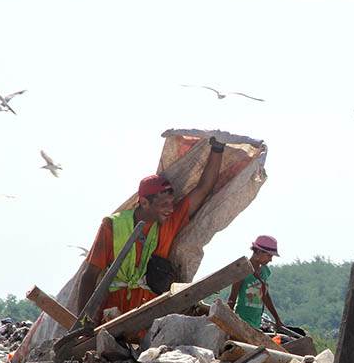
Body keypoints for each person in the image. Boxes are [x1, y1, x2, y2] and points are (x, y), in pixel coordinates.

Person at [76, 136, 226, 320]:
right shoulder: (112, 225)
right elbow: (89, 276)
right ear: (145, 202)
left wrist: (218, 148)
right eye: (164, 204)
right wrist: (83, 322)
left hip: (151, 316)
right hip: (113, 314)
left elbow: (203, 188)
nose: (171, 209)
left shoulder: (169, 223)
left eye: (171, 202)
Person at [228, 235, 283, 329]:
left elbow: (265, 296)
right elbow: (232, 298)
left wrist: (277, 319)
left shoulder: (264, 271)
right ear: (258, 251)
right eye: (269, 255)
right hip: (242, 320)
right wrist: (228, 321)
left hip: (256, 322)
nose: (270, 259)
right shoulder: (242, 270)